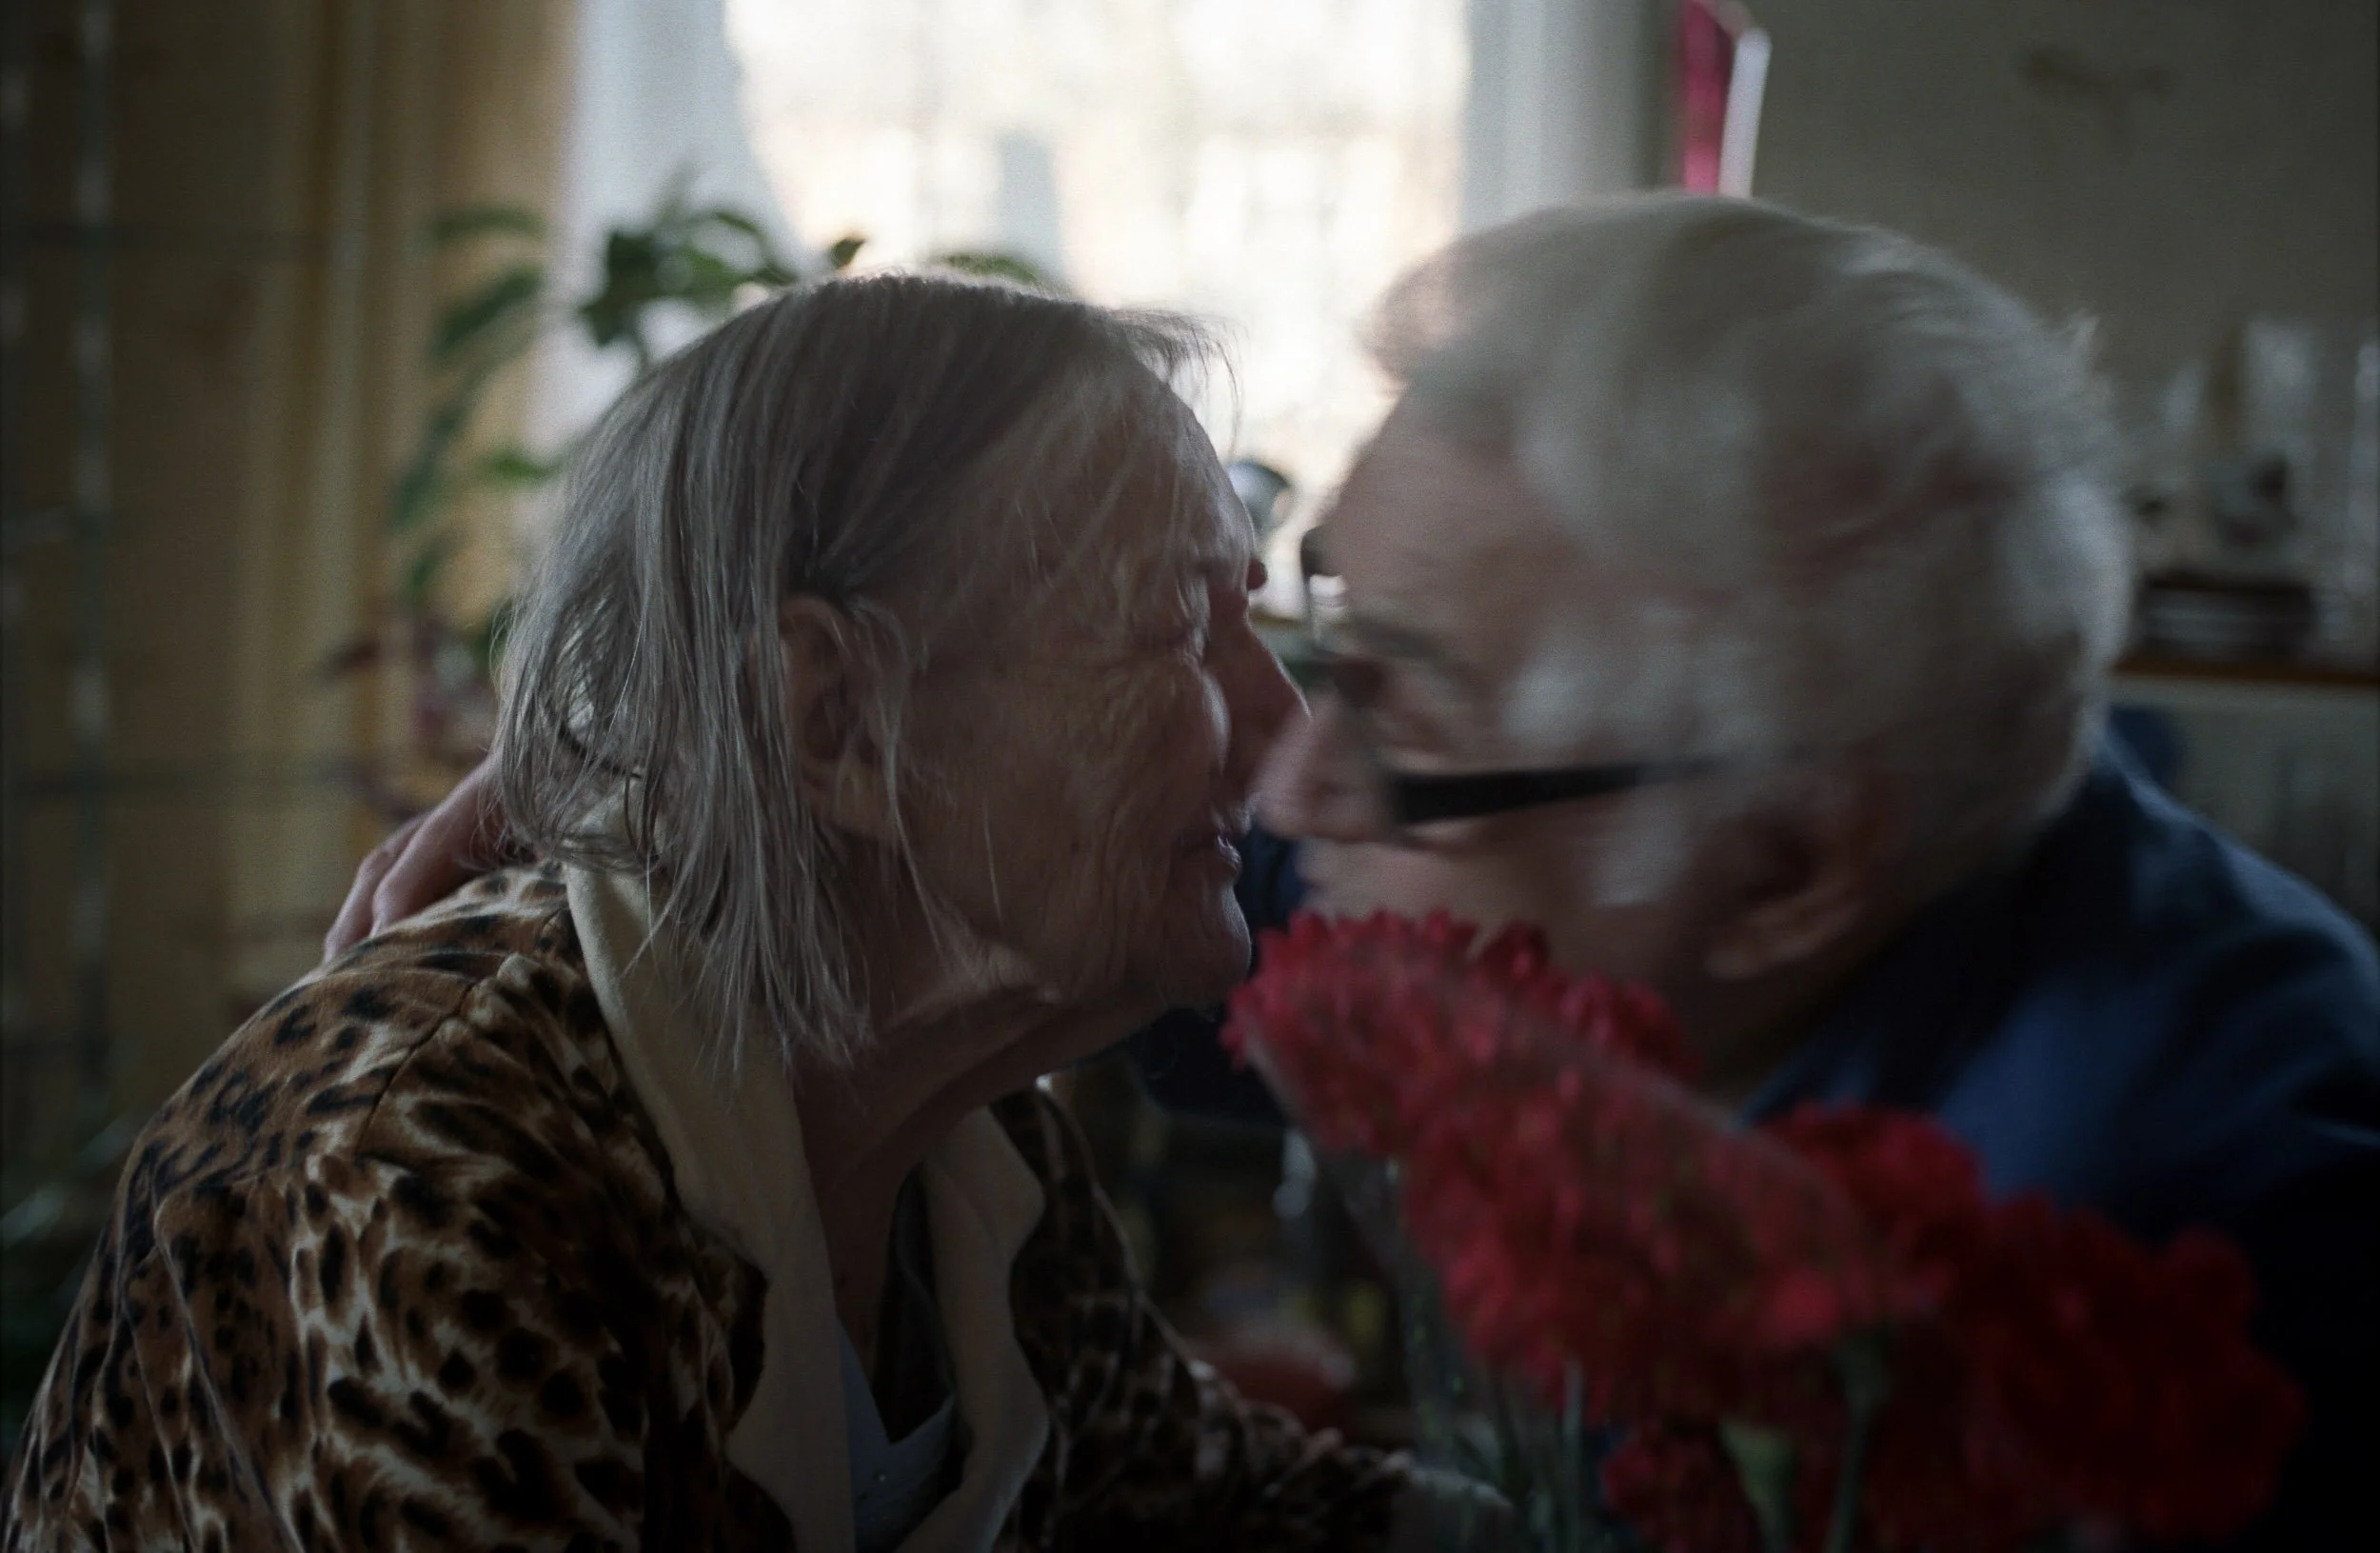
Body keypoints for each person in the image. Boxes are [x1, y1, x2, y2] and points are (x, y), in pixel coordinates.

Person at [327, 198, 2379, 1545]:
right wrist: (712, 742)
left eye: (1391, 695)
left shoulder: (2161, 1268)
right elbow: (1141, 904)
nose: (1284, 765)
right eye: (1300, 631)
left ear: (1788, 861)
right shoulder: (1603, 844)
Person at [5, 275, 1421, 1551]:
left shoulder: (981, 1161)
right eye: (1179, 625)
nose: (1279, 716)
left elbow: (1244, 1508)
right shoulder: (429, 1171)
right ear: (838, 716)